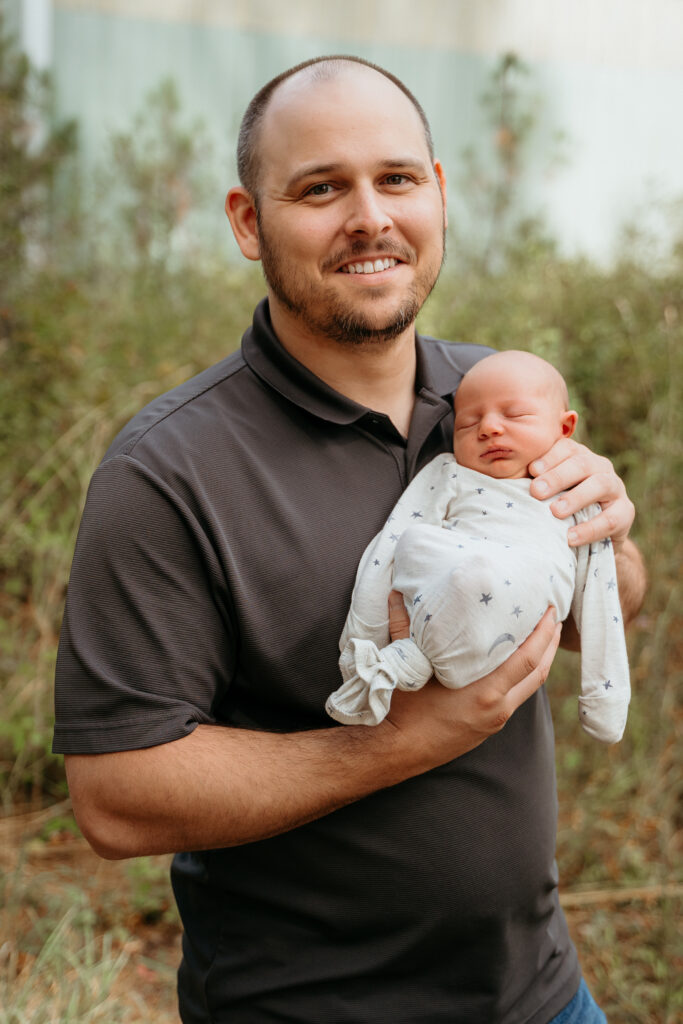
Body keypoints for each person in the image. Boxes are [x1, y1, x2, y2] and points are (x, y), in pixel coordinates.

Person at [54, 56, 646, 1023]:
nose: (370, 217)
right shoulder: (167, 472)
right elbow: (115, 797)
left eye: (396, 178)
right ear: (248, 221)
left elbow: (601, 605)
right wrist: (392, 745)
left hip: (545, 997)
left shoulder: (499, 398)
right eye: (321, 188)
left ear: (437, 193)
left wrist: (606, 539)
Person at [327, 349, 630, 744]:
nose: (488, 428)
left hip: (507, 614)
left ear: (565, 427)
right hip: (438, 598)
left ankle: (412, 659)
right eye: (467, 423)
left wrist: (605, 698)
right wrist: (361, 640)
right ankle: (398, 663)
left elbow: (600, 596)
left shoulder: (579, 493)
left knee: (479, 574)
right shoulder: (450, 473)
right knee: (416, 542)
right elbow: (390, 545)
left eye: (515, 415)